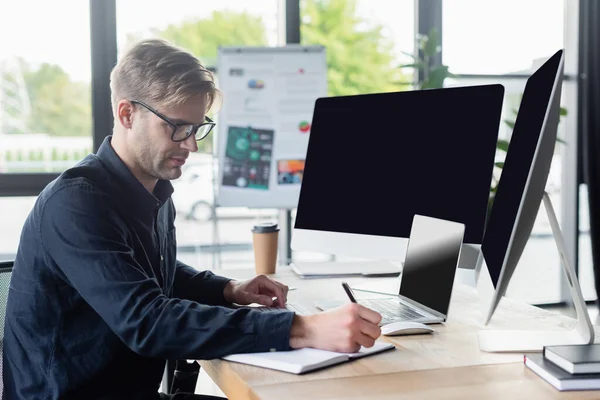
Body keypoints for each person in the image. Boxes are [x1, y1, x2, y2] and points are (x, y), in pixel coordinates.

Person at [2, 39, 382, 400]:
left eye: (198, 127)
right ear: (127, 113)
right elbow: (147, 321)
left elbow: (146, 272)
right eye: (178, 127)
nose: (191, 145)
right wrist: (303, 328)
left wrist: (228, 289)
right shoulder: (76, 204)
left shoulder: (151, 190)